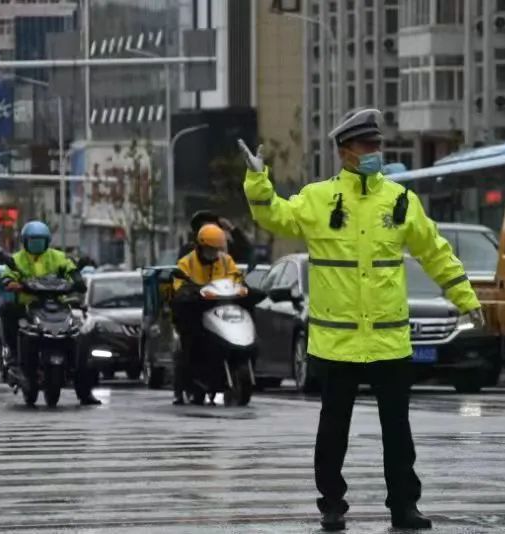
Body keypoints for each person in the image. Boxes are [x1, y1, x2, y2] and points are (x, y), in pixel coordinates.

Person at [238, 108, 485, 531]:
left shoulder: (400, 200)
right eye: (367, 146)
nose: (375, 152)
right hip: (337, 344)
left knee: (398, 433)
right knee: (333, 431)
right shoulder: (317, 198)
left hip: (389, 341)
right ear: (345, 151)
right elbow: (273, 215)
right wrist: (258, 182)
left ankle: (404, 506)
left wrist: (464, 296)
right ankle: (332, 504)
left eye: (378, 145)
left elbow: (435, 251)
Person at [0, 220, 101, 406]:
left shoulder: (57, 257)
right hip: (29, 306)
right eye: (33, 241)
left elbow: (70, 269)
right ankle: (14, 356)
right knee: (7, 311)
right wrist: (12, 283)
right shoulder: (17, 259)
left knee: (81, 339)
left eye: (40, 241)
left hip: (57, 305)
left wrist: (77, 280)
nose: (37, 245)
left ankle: (85, 392)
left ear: (47, 242)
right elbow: (8, 275)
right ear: (25, 242)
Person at [171, 223, 242, 405]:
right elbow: (179, 285)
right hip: (195, 309)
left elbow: (236, 277)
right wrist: (190, 291)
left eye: (217, 249)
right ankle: (185, 385)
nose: (214, 253)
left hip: (221, 308)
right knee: (190, 341)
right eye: (210, 249)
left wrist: (242, 288)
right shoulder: (187, 262)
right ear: (200, 246)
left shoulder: (226, 261)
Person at [177, 210, 255, 265]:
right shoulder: (189, 250)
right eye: (209, 229)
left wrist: (232, 229)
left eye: (217, 229)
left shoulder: (228, 248)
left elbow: (247, 252)